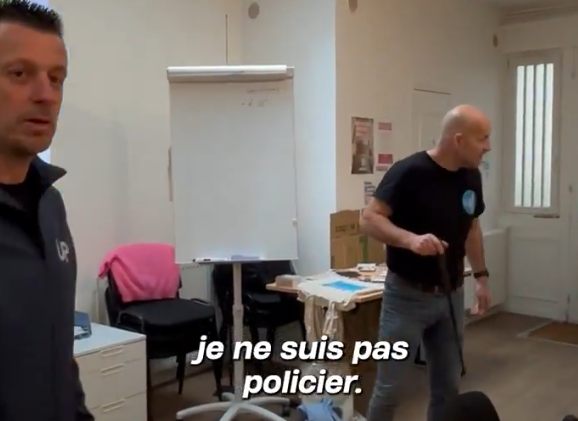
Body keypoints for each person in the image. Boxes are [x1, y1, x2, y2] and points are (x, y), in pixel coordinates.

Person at [360, 104, 491, 421]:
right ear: (458, 140)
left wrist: (482, 277)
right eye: (482, 138)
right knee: (390, 390)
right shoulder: (409, 172)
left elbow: (472, 228)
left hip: (450, 294)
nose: (488, 146)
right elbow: (369, 219)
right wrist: (410, 240)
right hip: (406, 298)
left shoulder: (471, 176)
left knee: (448, 389)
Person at [0, 1, 93, 420]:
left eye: (56, 78)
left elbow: (59, 353)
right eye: (20, 74)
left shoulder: (50, 203)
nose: (46, 95)